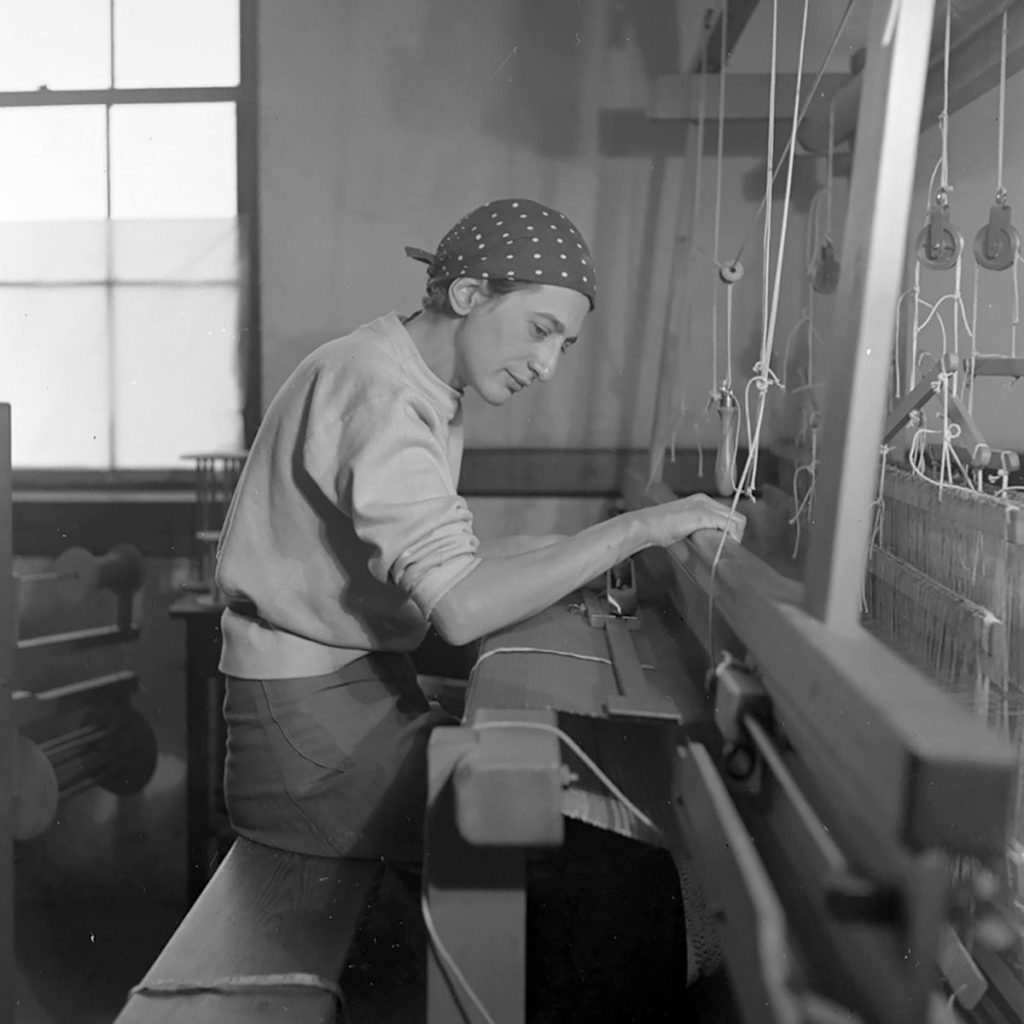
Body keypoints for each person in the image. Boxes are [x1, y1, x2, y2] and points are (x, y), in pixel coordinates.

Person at [214, 197, 744, 1019]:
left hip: (345, 709)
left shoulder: (404, 377)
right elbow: (460, 608)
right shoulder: (380, 390)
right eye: (539, 329)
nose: (548, 365)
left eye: (565, 344)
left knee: (586, 850)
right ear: (466, 295)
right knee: (623, 883)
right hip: (310, 746)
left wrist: (590, 548)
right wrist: (639, 529)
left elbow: (452, 562)